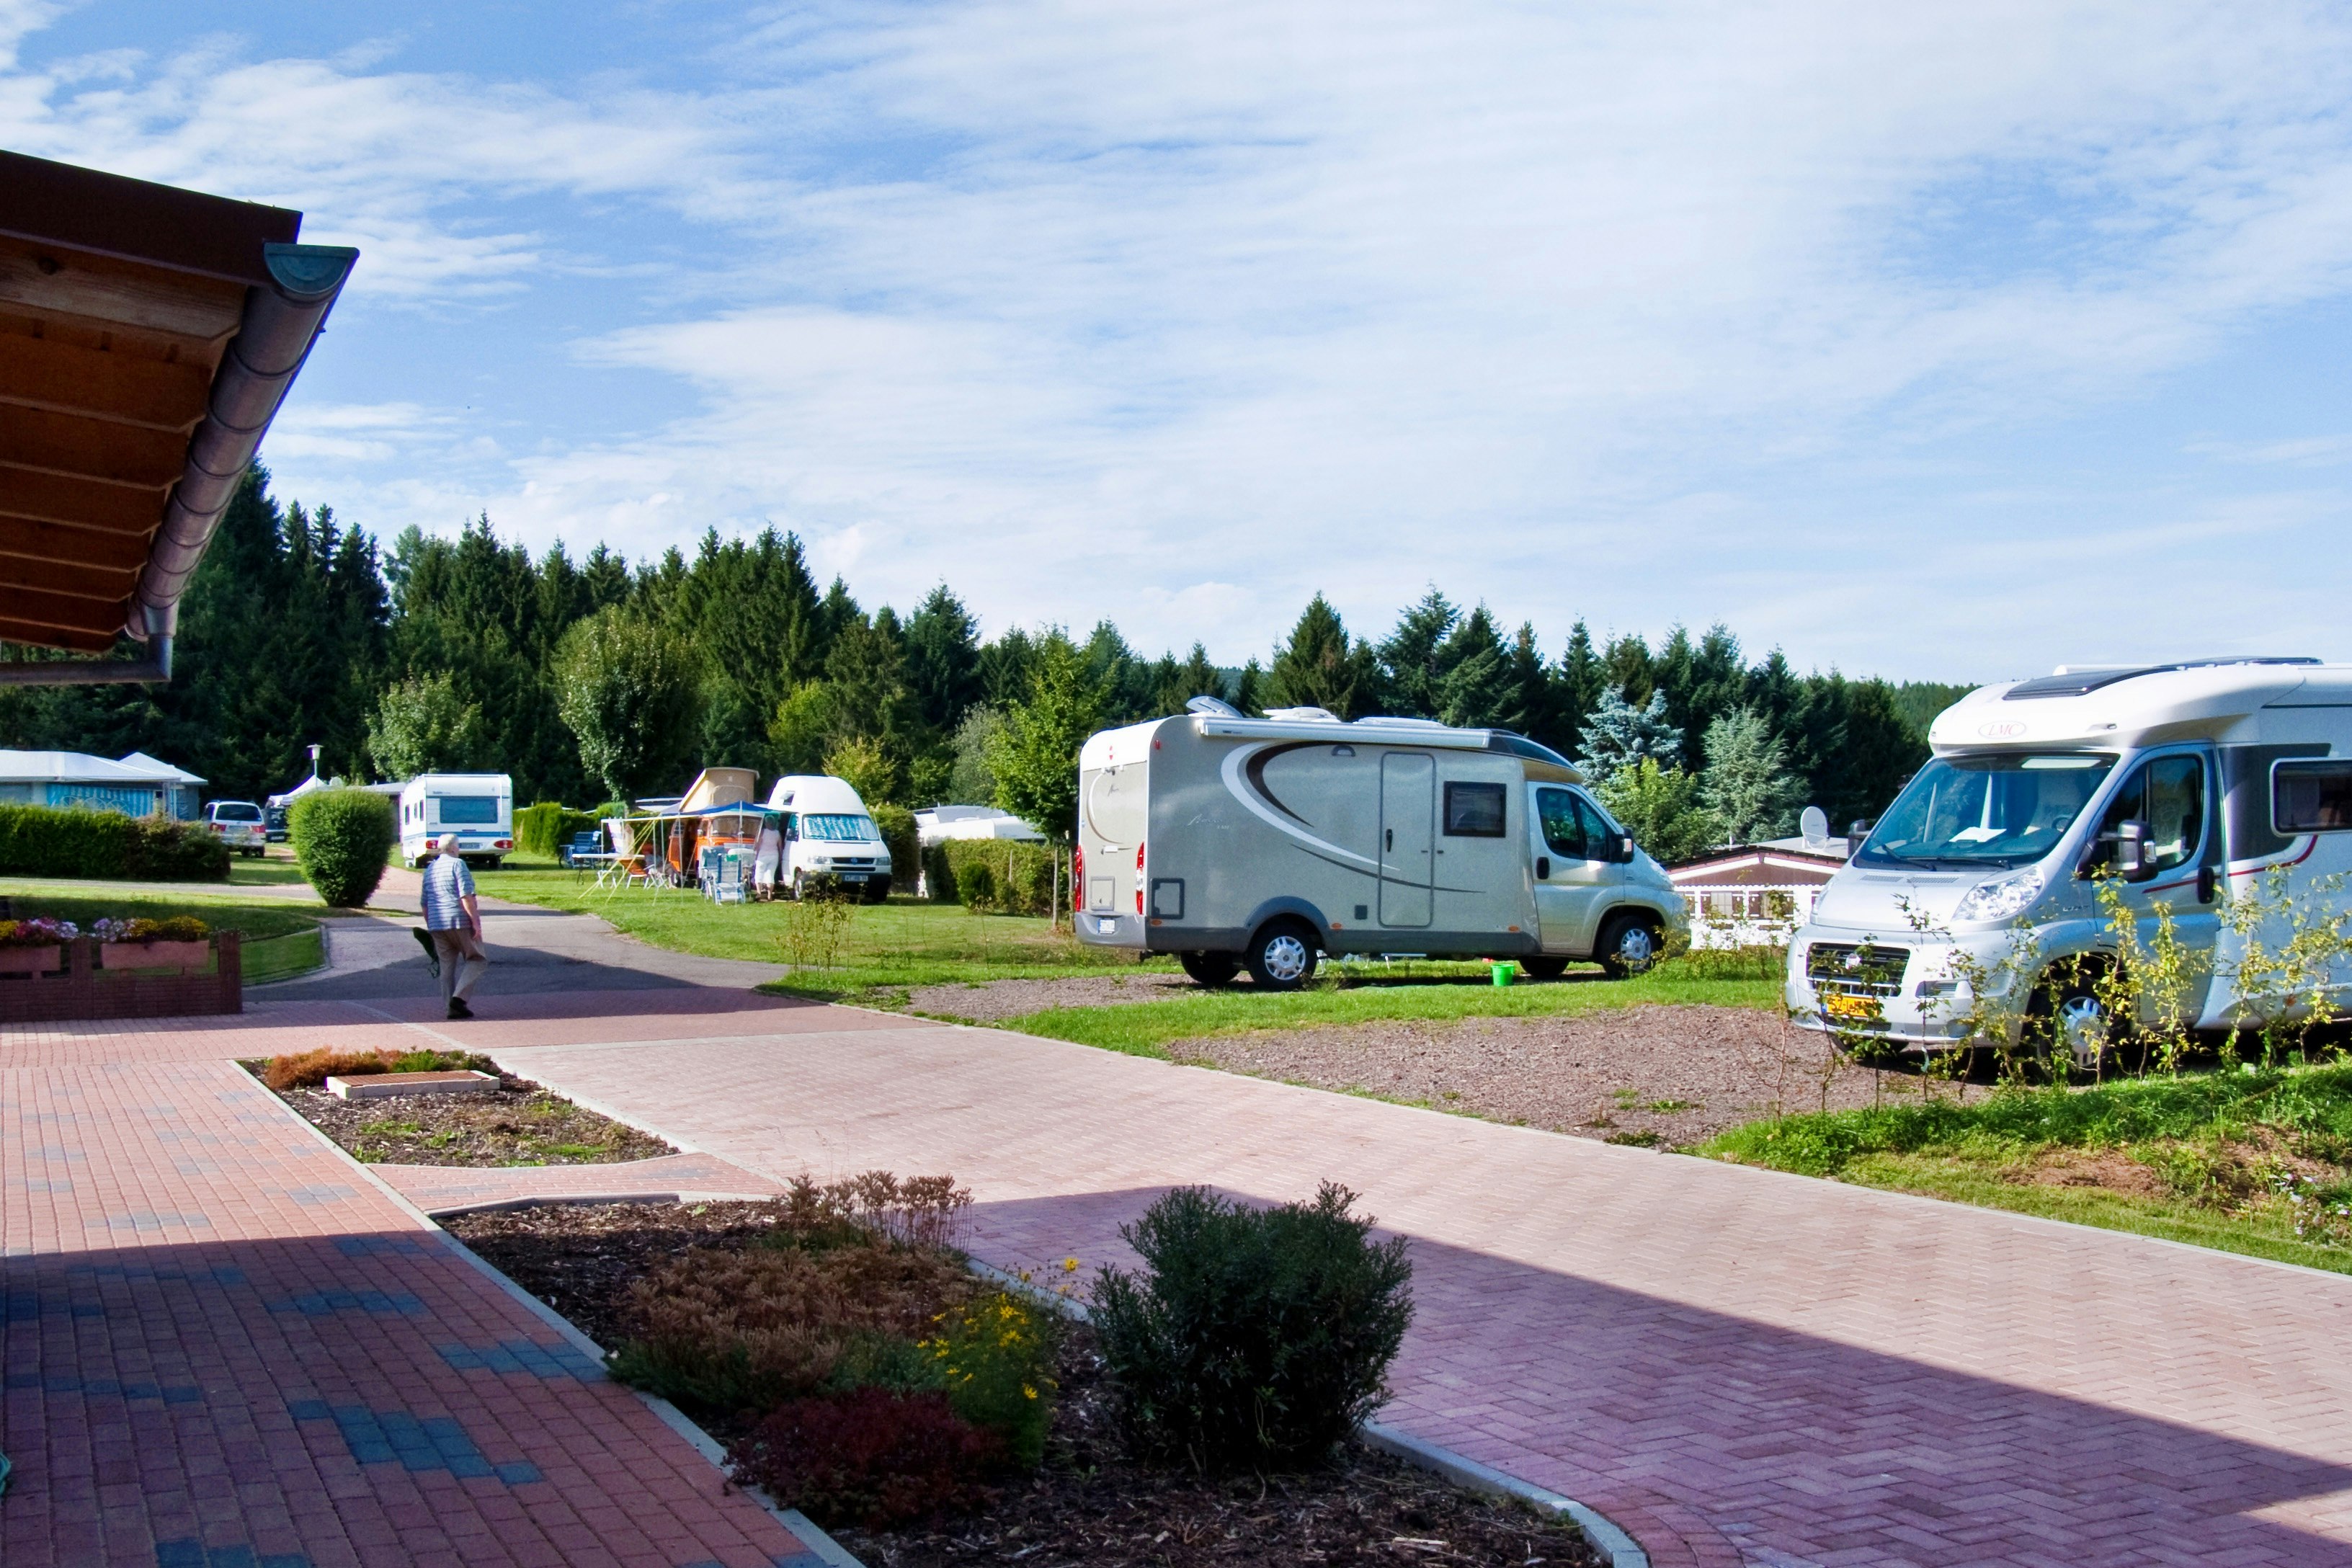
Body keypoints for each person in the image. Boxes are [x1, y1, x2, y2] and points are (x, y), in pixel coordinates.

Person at [420, 832, 488, 1018]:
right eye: (458, 846)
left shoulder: (429, 870)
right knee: (477, 959)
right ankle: (459, 999)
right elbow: (466, 896)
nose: (459, 849)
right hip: (459, 920)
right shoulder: (458, 864)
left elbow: (424, 904)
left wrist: (431, 925)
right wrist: (475, 922)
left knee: (446, 966)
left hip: (437, 923)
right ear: (453, 848)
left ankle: (450, 1008)